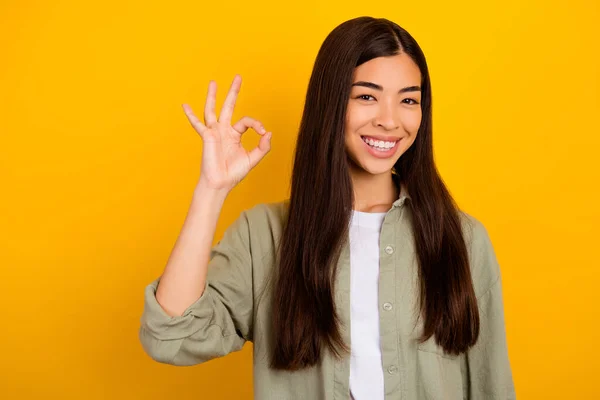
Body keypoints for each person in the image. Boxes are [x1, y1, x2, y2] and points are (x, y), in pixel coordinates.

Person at [138, 16, 516, 400]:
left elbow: (492, 385)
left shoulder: (464, 240)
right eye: (367, 96)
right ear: (331, 101)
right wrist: (211, 189)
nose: (389, 120)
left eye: (408, 100)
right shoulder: (264, 236)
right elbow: (172, 337)